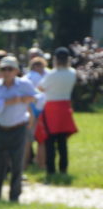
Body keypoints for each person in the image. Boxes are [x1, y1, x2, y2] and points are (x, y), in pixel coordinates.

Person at [0, 56, 36, 202]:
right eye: (3, 69)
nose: (6, 72)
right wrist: (9, 101)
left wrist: (29, 99)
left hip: (18, 128)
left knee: (17, 164)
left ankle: (14, 196)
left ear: (16, 71)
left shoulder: (24, 84)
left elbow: (38, 97)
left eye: (10, 69)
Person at [35, 46, 78, 177]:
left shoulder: (52, 74)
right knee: (62, 141)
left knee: (49, 140)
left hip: (51, 108)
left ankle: (51, 169)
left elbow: (41, 87)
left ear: (56, 59)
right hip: (65, 107)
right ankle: (63, 168)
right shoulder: (72, 73)